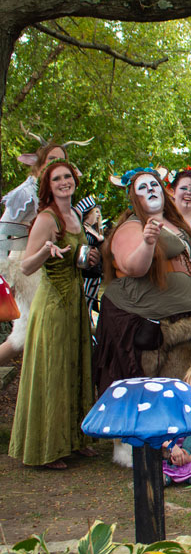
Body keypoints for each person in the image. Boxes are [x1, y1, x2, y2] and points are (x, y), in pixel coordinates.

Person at [8, 160, 99, 469]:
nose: (64, 182)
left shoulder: (74, 214)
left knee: (75, 368)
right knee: (55, 372)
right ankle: (47, 448)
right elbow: (25, 266)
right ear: (49, 186)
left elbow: (77, 259)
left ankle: (74, 439)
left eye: (68, 176)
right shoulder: (47, 218)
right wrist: (46, 250)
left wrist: (89, 258)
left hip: (75, 302)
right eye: (57, 178)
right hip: (53, 304)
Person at [94, 167, 191, 397]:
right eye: (142, 188)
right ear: (135, 198)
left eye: (154, 185)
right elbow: (134, 267)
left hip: (182, 324)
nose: (150, 190)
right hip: (146, 328)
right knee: (148, 395)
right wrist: (147, 242)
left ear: (164, 191)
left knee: (180, 392)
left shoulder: (178, 223)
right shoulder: (132, 227)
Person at [0, 142, 71, 368]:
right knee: (38, 326)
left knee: (22, 336)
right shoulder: (26, 193)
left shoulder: (52, 191)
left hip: (47, 264)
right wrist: (5, 274)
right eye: (51, 159)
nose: (57, 164)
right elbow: (4, 232)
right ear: (39, 163)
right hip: (26, 266)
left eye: (62, 160)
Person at [73, 195, 104, 315]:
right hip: (86, 274)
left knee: (89, 305)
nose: (98, 214)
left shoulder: (92, 229)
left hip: (95, 274)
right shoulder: (82, 230)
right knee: (84, 307)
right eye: (95, 211)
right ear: (88, 213)